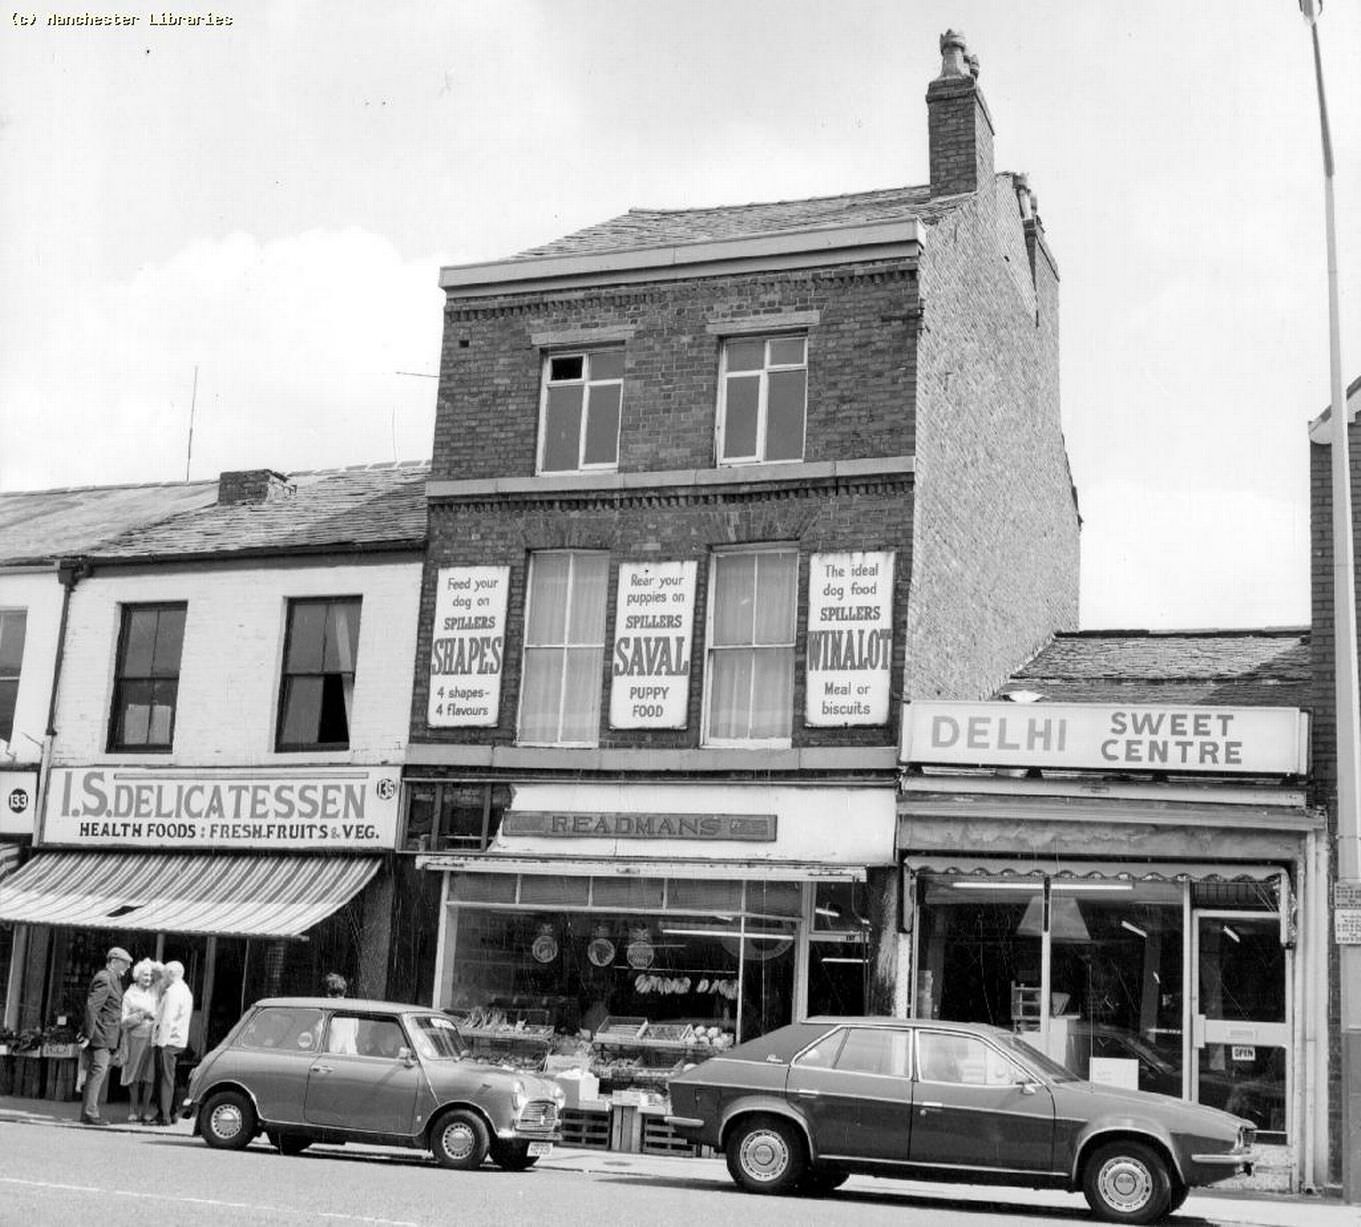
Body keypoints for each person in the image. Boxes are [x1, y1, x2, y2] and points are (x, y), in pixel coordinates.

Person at [81, 946, 132, 1126]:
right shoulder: (104, 978)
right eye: (125, 964)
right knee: (98, 1072)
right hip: (101, 1034)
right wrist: (88, 1034)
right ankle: (90, 1113)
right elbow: (92, 1007)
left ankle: (88, 1112)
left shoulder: (114, 979)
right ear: (114, 962)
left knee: (97, 1073)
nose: (127, 968)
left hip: (108, 1034)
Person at [150, 960, 193, 1127]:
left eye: (164, 975)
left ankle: (164, 1115)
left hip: (168, 1041)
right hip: (179, 1040)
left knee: (164, 1079)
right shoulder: (185, 991)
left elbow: (167, 1019)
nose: (162, 979)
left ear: (170, 975)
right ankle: (172, 1112)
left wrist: (160, 1042)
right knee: (172, 1079)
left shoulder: (173, 992)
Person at [119, 958, 161, 1122]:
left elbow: (165, 972)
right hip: (135, 1037)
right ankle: (133, 1109)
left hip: (152, 1037)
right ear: (137, 976)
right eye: (145, 975)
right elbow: (123, 1021)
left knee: (149, 1076)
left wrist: (151, 965)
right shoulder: (129, 994)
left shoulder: (154, 991)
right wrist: (142, 1015)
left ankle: (145, 1111)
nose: (148, 979)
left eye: (150, 976)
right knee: (134, 1075)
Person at [323, 972, 358, 1054]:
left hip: (332, 1057)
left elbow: (318, 1034)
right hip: (351, 1055)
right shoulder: (352, 1011)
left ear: (328, 994)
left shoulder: (327, 1013)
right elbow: (355, 1033)